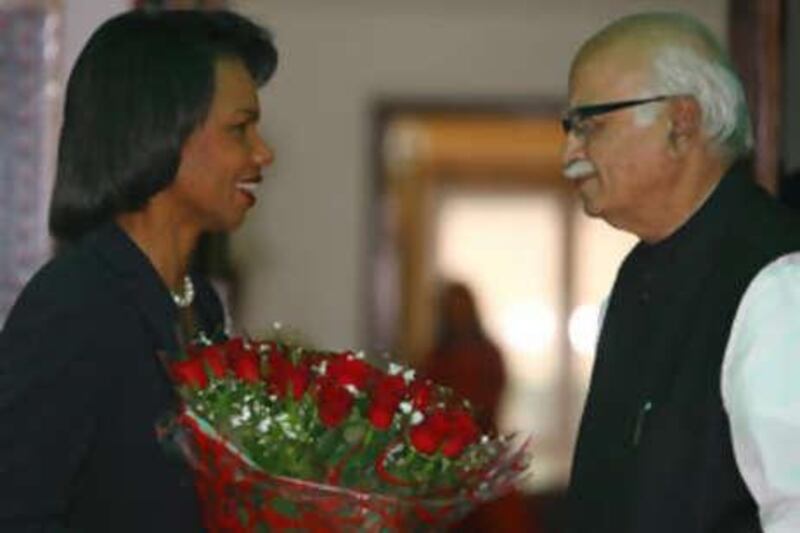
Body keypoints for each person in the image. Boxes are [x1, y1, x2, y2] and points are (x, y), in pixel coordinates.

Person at [0, 9, 277, 532]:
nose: (263, 152)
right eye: (240, 129)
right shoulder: (75, 306)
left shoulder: (199, 305)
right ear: (162, 131)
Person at [561, 12, 800, 533]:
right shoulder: (639, 276)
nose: (570, 155)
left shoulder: (777, 282)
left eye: (590, 124)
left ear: (681, 123)